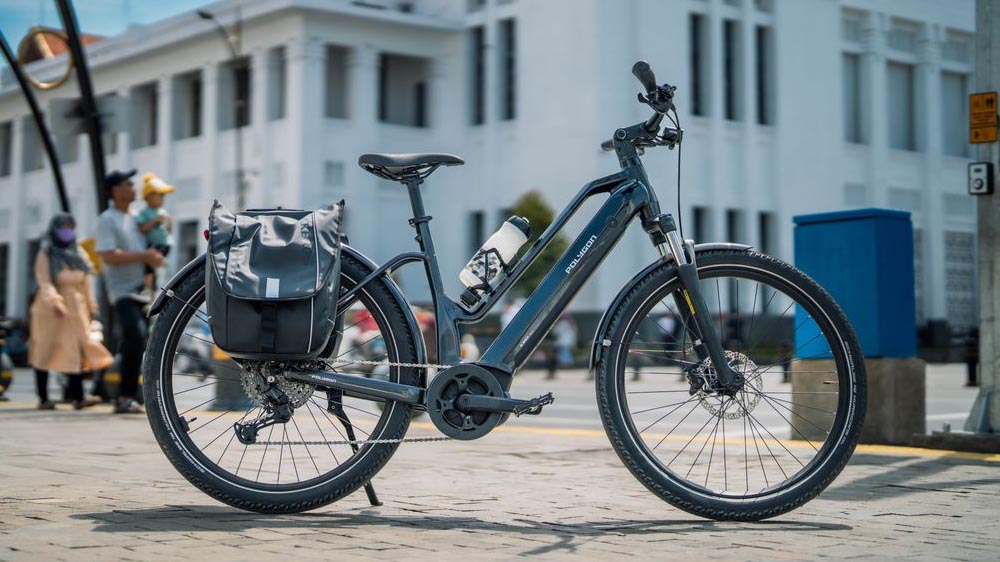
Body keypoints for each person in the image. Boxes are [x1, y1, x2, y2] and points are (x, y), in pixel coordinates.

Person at [28, 213, 114, 410]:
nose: (67, 231)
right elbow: (44, 280)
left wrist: (92, 307)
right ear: (55, 228)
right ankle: (43, 398)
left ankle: (78, 397)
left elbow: (86, 282)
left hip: (76, 308)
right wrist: (54, 301)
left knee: (75, 349)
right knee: (44, 349)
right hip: (50, 310)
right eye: (63, 226)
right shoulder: (46, 253)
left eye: (70, 226)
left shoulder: (78, 252)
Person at [96, 169, 164, 414]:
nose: (134, 189)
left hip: (144, 292)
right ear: (115, 190)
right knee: (133, 336)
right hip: (122, 292)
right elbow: (107, 255)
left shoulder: (137, 218)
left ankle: (120, 391)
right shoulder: (108, 219)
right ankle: (123, 396)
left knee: (140, 342)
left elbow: (152, 242)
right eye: (128, 184)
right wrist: (144, 255)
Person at [136, 173, 175, 299]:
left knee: (151, 267)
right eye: (160, 195)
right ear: (149, 196)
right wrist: (154, 221)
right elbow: (142, 228)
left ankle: (150, 289)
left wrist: (169, 222)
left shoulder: (162, 212)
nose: (163, 198)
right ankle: (149, 289)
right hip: (152, 244)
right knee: (149, 268)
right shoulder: (144, 212)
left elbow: (169, 229)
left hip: (164, 244)